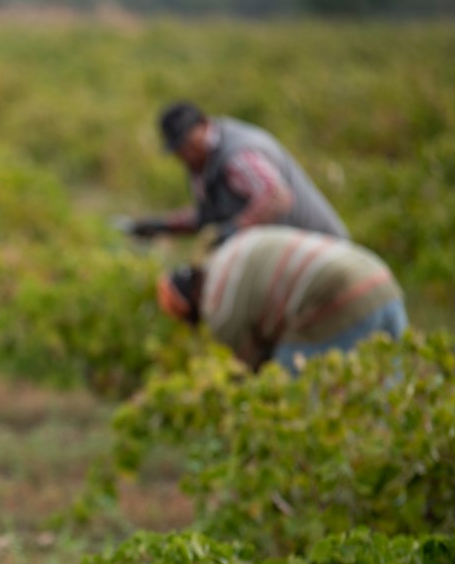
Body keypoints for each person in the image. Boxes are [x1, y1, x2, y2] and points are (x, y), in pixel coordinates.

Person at [157, 225, 407, 374]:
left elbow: (252, 372)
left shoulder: (218, 309)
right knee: (396, 389)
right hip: (379, 277)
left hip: (336, 295)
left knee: (290, 394)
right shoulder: (231, 249)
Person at [122, 101, 350, 248]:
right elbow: (213, 215)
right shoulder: (204, 161)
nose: (185, 154)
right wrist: (163, 226)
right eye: (179, 150)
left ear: (204, 125)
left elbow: (278, 198)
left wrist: (235, 228)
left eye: (188, 144)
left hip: (323, 251)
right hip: (290, 255)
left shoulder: (238, 156)